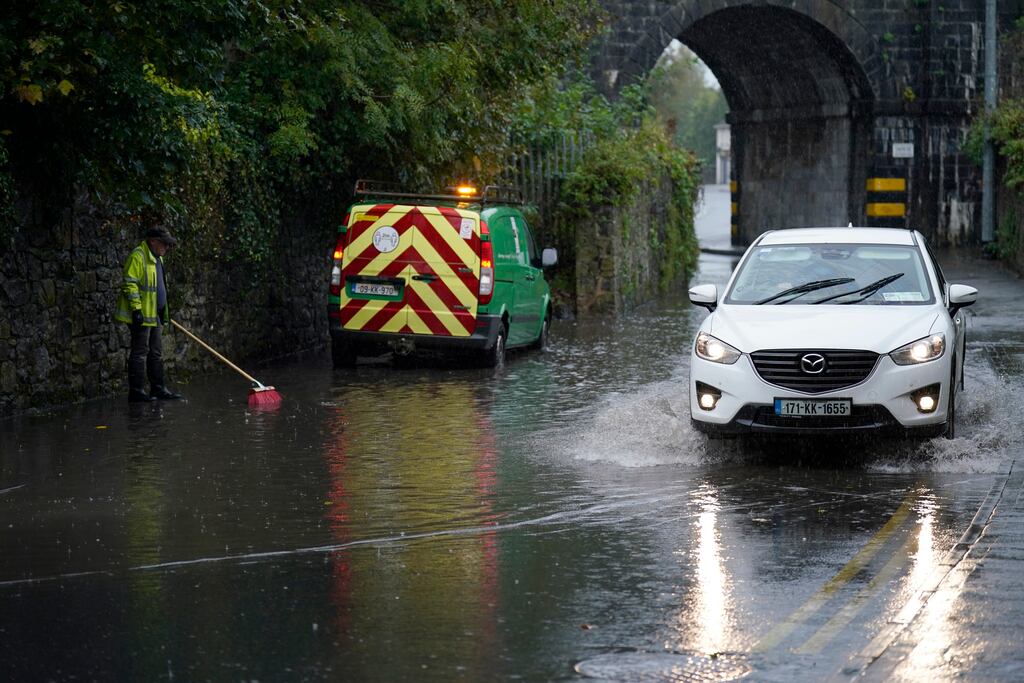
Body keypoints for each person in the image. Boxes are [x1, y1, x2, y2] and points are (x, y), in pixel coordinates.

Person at [114, 225, 183, 402]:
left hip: (155, 315)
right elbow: (130, 284)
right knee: (140, 352)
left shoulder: (158, 259)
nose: (167, 247)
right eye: (164, 244)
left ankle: (158, 389)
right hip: (142, 316)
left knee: (156, 352)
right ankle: (136, 391)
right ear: (152, 241)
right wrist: (136, 310)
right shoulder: (138, 256)